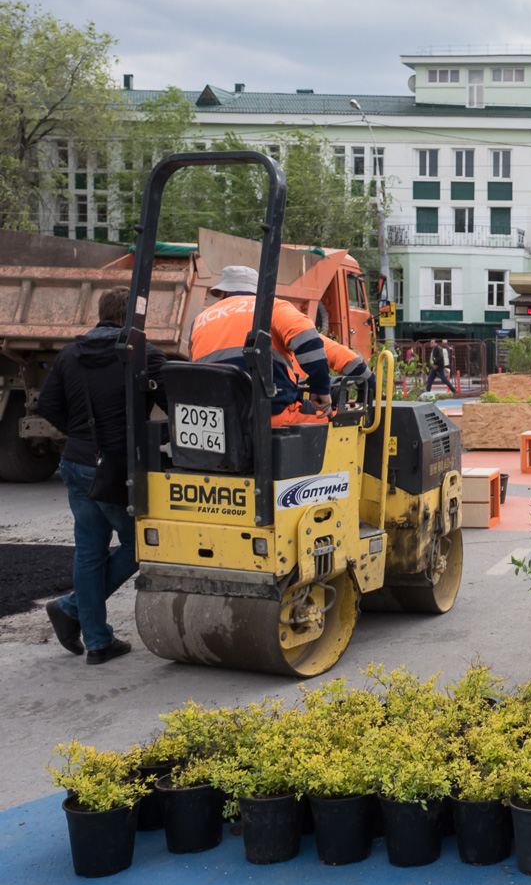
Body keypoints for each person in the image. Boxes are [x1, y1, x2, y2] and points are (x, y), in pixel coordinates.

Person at [38, 286, 165, 665]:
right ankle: (74, 612)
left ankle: (96, 638)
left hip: (76, 463)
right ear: (133, 317)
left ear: (101, 312)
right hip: (117, 469)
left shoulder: (70, 353)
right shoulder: (143, 355)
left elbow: (47, 406)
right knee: (138, 546)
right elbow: (173, 407)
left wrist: (79, 437)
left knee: (89, 552)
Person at [189, 264, 337, 425]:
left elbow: (194, 370)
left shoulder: (199, 320)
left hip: (214, 420)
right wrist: (320, 388)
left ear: (223, 293)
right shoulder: (273, 307)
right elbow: (309, 341)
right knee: (338, 418)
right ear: (259, 291)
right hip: (268, 417)